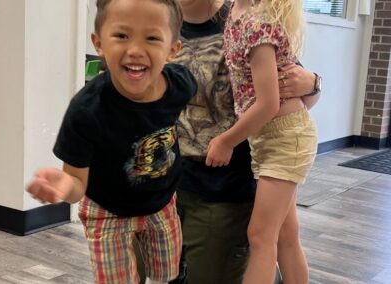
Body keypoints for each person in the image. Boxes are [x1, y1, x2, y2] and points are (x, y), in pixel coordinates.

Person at [26, 0, 197, 283]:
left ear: (172, 50)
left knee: (169, 275)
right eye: (121, 35)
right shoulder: (85, 111)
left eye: (152, 38)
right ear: (99, 43)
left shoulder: (180, 84)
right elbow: (77, 185)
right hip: (107, 208)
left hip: (162, 200)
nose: (135, 50)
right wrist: (63, 186)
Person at [170, 0, 321, 283]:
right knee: (285, 235)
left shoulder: (255, 23)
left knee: (262, 238)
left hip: (268, 148)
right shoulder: (236, 17)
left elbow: (277, 101)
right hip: (258, 142)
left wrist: (314, 83)